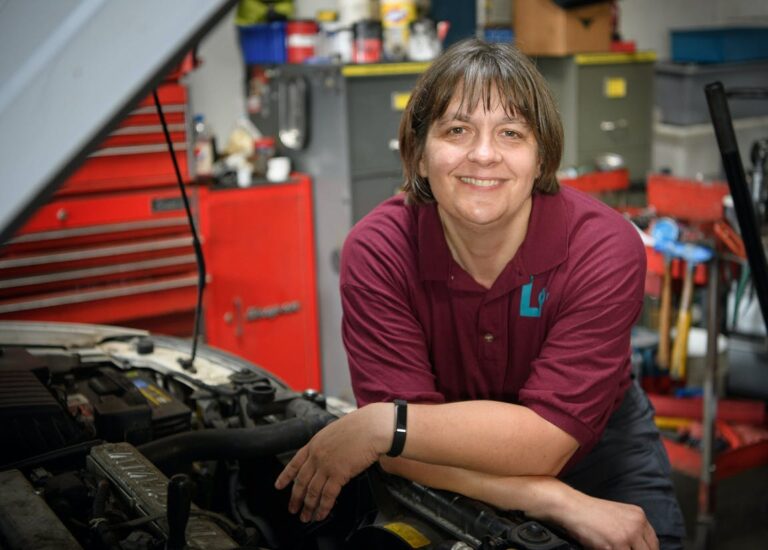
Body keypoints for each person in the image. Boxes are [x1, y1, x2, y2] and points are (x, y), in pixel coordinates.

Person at [276, 38, 685, 549]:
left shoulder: (602, 246)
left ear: (541, 160)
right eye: (457, 130)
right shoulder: (379, 251)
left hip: (598, 453)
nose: (484, 154)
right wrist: (554, 500)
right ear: (420, 157)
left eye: (511, 133)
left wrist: (383, 425)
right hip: (442, 464)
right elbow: (405, 453)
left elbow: (546, 442)